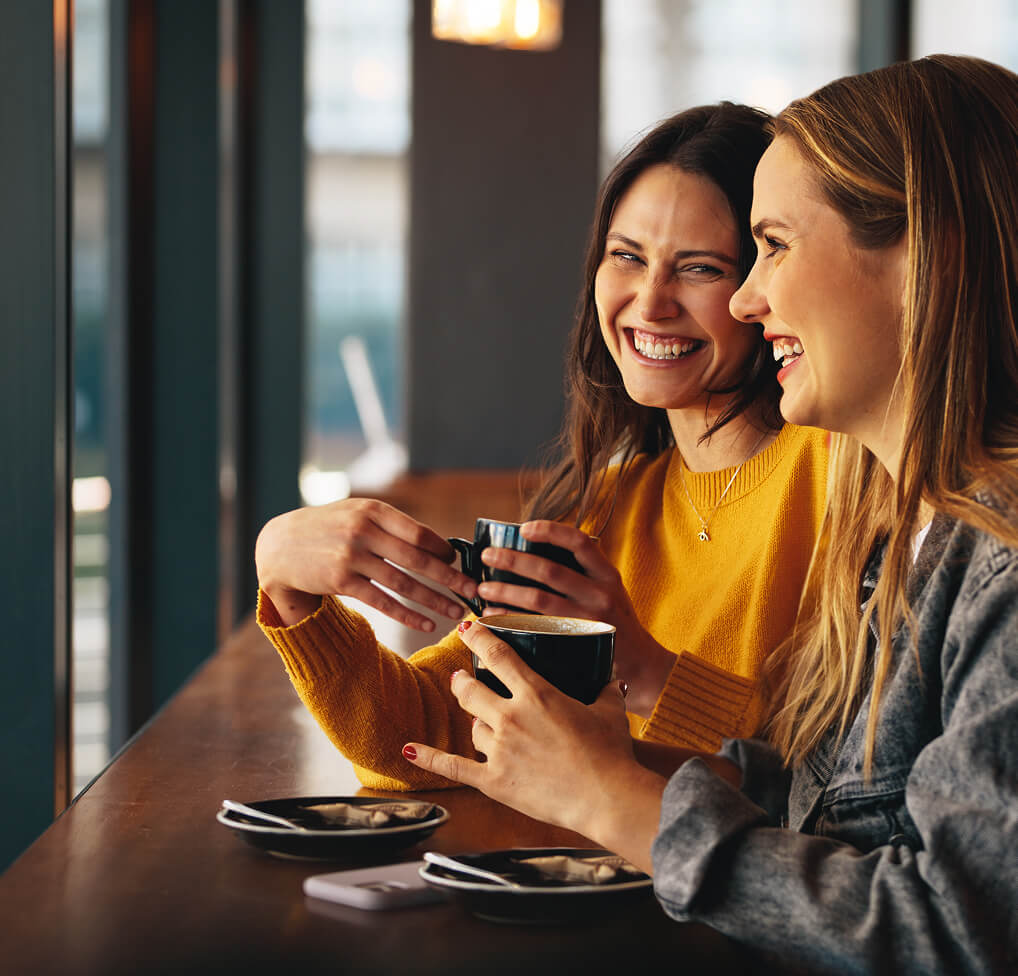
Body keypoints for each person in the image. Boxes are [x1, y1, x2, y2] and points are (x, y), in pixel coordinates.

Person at [403, 55, 1018, 973]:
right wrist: (605, 764)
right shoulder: (911, 538)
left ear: (922, 254)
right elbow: (832, 802)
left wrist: (617, 801)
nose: (744, 298)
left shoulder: (996, 559)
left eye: (770, 245)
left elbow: (956, 935)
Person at [255, 103, 828, 790]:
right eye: (627, 257)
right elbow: (431, 738)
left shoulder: (843, 475)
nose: (649, 303)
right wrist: (289, 590)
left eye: (700, 268)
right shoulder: (610, 505)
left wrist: (642, 667)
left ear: (762, 286)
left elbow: (834, 782)